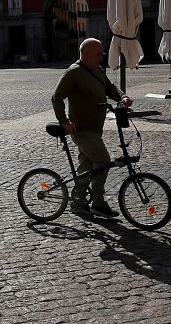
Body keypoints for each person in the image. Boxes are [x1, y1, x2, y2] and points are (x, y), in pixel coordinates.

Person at [51, 38, 132, 218]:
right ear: (85, 55)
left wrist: (122, 97)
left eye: (102, 53)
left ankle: (79, 202)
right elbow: (56, 98)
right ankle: (99, 203)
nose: (102, 56)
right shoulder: (73, 73)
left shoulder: (98, 69)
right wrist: (64, 122)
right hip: (81, 129)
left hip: (95, 128)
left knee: (86, 167)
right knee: (103, 160)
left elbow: (110, 88)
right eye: (98, 54)